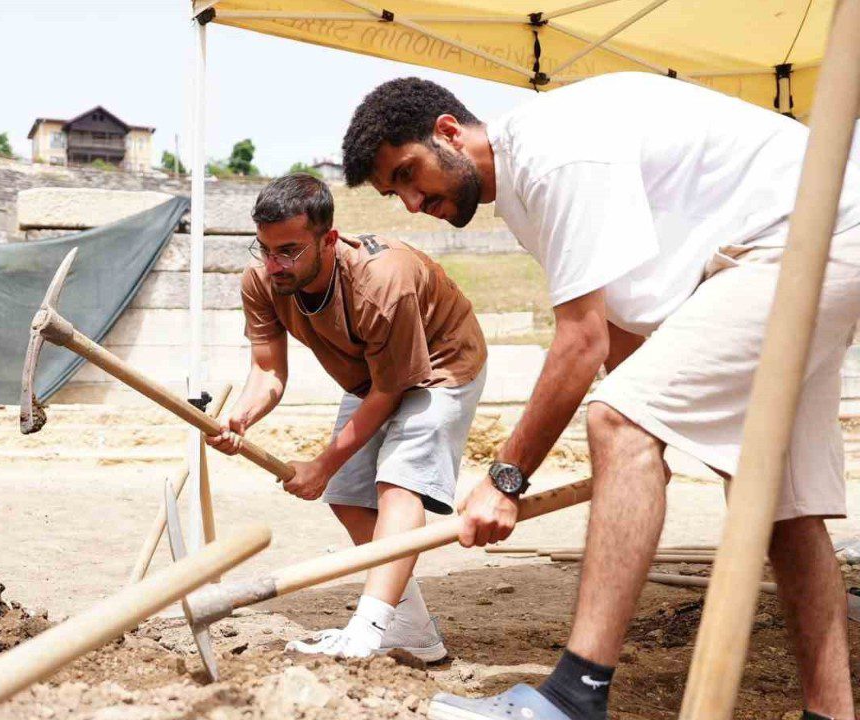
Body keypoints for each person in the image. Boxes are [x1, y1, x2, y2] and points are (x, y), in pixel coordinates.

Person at [341, 73, 860, 720]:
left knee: (618, 421)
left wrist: (508, 478)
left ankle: (574, 696)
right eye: (397, 194)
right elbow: (615, 336)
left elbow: (579, 345)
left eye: (410, 174)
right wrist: (645, 438)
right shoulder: (530, 193)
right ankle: (831, 713)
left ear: (448, 131)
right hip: (807, 239)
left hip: (807, 234)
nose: (414, 203)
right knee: (782, 503)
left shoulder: (551, 152)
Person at [206, 173, 487, 661]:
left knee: (398, 483)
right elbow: (268, 370)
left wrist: (322, 462)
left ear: (329, 239)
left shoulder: (382, 282)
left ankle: (368, 627)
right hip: (373, 375)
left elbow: (391, 389)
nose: (274, 265)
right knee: (347, 495)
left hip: (442, 363)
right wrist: (241, 418)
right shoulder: (262, 281)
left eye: (289, 251)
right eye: (265, 249)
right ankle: (415, 631)